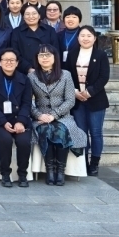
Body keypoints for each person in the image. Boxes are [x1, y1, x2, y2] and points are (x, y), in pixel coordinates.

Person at [29, 44, 87, 186]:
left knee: (61, 130)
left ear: (55, 57)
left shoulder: (65, 75)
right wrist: (38, 115)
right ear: (37, 58)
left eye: (48, 55)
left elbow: (70, 100)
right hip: (41, 117)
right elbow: (27, 101)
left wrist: (54, 115)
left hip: (63, 116)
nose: (45, 58)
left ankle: (60, 171)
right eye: (41, 55)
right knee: (45, 129)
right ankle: (50, 170)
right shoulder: (31, 76)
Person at [65, 25, 110, 177]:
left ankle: (94, 163)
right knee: (81, 132)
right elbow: (67, 75)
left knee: (96, 132)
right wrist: (75, 92)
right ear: (78, 38)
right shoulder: (72, 54)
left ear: (94, 38)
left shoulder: (101, 55)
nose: (85, 38)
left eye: (89, 36)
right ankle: (83, 162)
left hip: (96, 99)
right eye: (82, 35)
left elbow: (104, 77)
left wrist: (89, 92)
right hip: (77, 100)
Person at [0, 48, 33, 188]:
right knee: (5, 140)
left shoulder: (25, 80)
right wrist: (3, 122)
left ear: (17, 63)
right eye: (5, 60)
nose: (9, 62)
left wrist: (21, 121)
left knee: (23, 141)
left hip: (20, 119)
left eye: (12, 60)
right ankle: (5, 174)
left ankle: (22, 174)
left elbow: (27, 103)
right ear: (0, 62)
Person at [11, 4, 59, 74]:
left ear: (39, 16)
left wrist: (48, 67)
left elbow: (55, 51)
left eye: (34, 13)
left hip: (48, 71)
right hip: (25, 71)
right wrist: (28, 68)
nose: (31, 16)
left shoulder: (50, 30)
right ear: (23, 17)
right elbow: (15, 53)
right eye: (27, 14)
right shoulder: (16, 32)